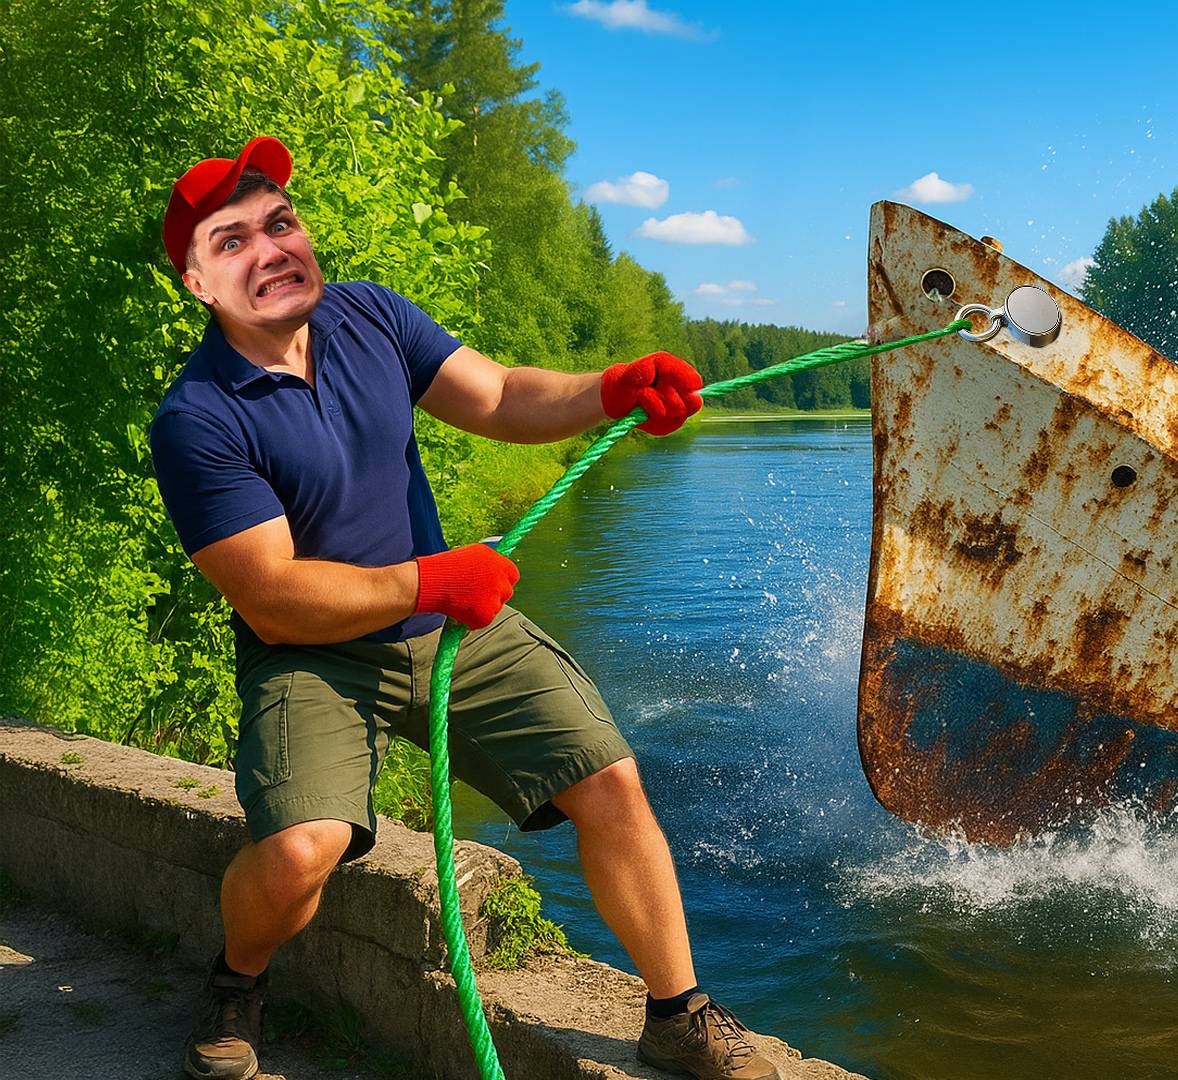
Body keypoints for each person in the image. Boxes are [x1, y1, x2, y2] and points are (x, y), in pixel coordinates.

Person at [149, 136, 780, 1080]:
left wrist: (609, 391)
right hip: (318, 654)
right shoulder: (198, 416)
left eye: (281, 221)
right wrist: (429, 581)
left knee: (610, 782)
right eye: (232, 242)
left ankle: (677, 1012)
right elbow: (274, 597)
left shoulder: (372, 319)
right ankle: (237, 981)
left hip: (448, 629)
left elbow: (498, 395)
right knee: (298, 851)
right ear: (200, 285)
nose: (271, 249)